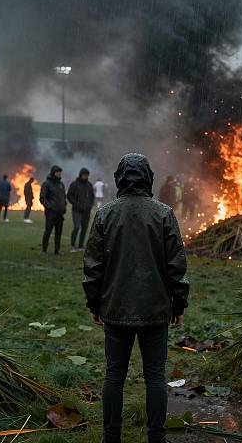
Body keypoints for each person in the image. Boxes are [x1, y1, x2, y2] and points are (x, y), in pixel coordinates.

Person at [83, 154, 189, 443]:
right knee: (155, 376)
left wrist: (95, 304)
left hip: (115, 308)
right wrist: (178, 304)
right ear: (148, 178)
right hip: (155, 309)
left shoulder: (105, 214)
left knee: (114, 375)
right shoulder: (164, 213)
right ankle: (156, 437)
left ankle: (111, 437)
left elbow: (92, 266)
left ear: (120, 178)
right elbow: (176, 266)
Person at [40, 165, 66, 255]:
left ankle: (57, 250)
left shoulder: (61, 184)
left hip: (60, 213)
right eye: (58, 172)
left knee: (58, 233)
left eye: (60, 172)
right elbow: (42, 198)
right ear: (54, 173)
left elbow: (63, 197)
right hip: (51, 213)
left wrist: (64, 207)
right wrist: (50, 207)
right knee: (48, 231)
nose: (59, 174)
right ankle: (44, 250)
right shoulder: (46, 184)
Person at [67, 168, 95, 252]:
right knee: (76, 227)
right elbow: (69, 196)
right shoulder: (74, 184)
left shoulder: (89, 185)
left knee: (84, 228)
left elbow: (92, 196)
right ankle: (72, 245)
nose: (85, 176)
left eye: (87, 175)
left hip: (86, 211)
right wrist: (75, 204)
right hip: (77, 210)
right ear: (80, 174)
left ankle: (80, 245)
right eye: (84, 175)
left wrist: (90, 205)